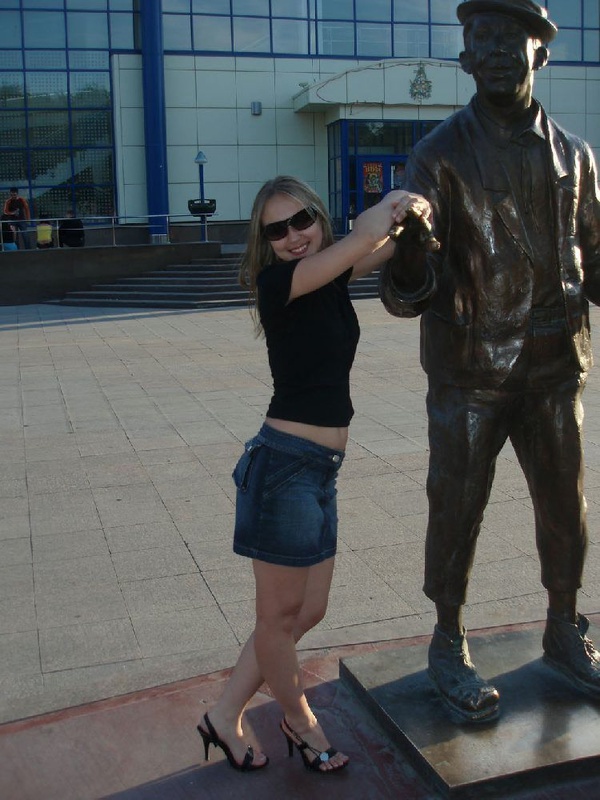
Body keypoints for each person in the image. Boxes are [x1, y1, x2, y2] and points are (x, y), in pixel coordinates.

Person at [380, 0, 600, 724]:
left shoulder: (575, 156)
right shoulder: (438, 156)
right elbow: (408, 293)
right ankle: (447, 641)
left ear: (541, 53)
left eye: (513, 37)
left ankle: (564, 626)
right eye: (483, 38)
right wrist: (411, 251)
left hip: (556, 364)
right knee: (457, 503)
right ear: (466, 57)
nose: (498, 49)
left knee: (565, 505)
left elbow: (596, 258)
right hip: (471, 369)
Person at [198, 175, 431, 772]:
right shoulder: (279, 283)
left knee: (306, 612)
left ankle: (224, 713)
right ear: (265, 242)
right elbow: (363, 240)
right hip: (284, 469)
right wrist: (391, 203)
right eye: (277, 230)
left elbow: (384, 249)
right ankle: (300, 723)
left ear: (318, 217)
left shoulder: (329, 278)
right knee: (277, 620)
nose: (293, 235)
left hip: (319, 470)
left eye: (301, 220)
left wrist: (419, 211)